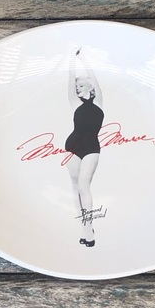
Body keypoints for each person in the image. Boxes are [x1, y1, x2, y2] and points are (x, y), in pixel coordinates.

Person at [64, 48, 104, 247]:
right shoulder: (74, 102)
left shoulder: (99, 102)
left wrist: (84, 58)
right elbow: (70, 78)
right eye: (76, 86)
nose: (78, 88)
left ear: (89, 85)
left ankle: (89, 230)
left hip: (91, 146)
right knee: (75, 188)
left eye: (81, 85)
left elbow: (93, 76)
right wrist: (71, 60)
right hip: (73, 145)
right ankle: (84, 229)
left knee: (84, 186)